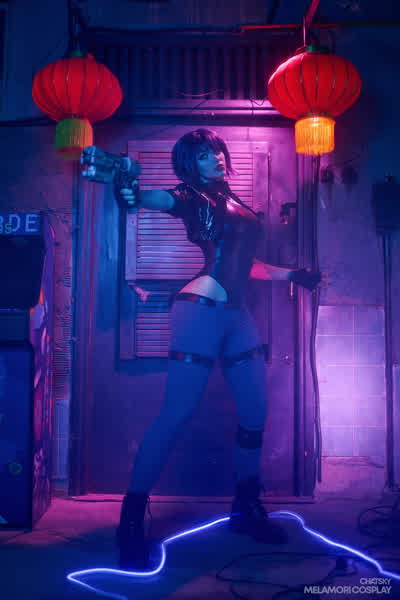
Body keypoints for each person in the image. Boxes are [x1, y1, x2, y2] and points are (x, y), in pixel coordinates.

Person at [114, 129, 324, 570]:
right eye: (205, 155)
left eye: (218, 151)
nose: (217, 158)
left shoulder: (234, 203)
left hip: (236, 314)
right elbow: (162, 200)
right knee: (176, 414)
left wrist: (294, 276)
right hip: (201, 309)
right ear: (190, 164)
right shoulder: (192, 196)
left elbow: (246, 266)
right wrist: (132, 193)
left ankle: (245, 510)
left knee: (255, 412)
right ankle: (129, 524)